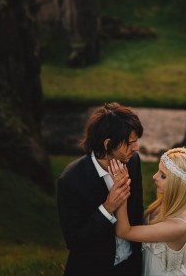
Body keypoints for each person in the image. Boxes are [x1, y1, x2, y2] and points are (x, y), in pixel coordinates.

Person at [57, 102, 144, 276]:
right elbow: (75, 241)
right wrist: (108, 207)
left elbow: (137, 214)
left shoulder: (133, 162)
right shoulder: (71, 180)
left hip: (131, 267)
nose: (136, 148)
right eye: (130, 143)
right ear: (108, 144)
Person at [109, 147, 186, 276]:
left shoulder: (180, 226)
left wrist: (121, 188)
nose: (155, 177)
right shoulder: (171, 200)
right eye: (158, 171)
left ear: (176, 184)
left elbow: (123, 231)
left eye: (163, 175)